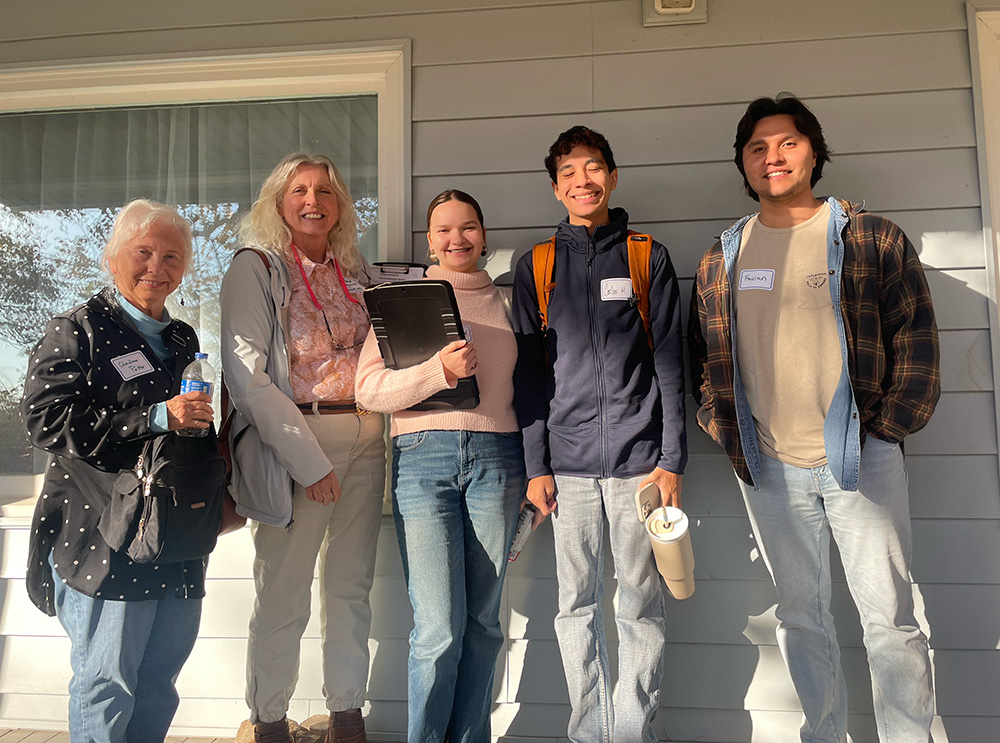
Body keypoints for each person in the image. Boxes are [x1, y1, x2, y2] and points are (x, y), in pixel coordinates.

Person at [688, 94, 938, 743]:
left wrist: (888, 425)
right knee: (801, 617)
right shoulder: (725, 255)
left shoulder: (868, 236)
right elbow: (705, 356)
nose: (773, 157)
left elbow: (915, 334)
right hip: (769, 469)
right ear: (743, 163)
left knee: (890, 621)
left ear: (814, 150)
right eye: (757, 147)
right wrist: (726, 427)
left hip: (861, 458)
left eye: (787, 142)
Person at [511, 126, 687, 743]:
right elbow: (528, 375)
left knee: (639, 607)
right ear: (556, 187)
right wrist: (536, 465)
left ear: (611, 177)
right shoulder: (535, 264)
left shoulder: (646, 256)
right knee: (574, 608)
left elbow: (670, 361)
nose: (581, 181)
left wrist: (672, 459)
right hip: (569, 469)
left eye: (592, 169)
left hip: (642, 464)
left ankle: (632, 734)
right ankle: (590, 733)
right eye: (568, 173)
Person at [21, 199, 214, 743]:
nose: (157, 266)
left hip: (175, 535)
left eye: (172, 256)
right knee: (107, 683)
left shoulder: (182, 341)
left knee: (159, 680)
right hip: (102, 533)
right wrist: (153, 417)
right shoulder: (77, 330)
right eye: (144, 252)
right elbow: (45, 420)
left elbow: (186, 436)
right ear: (113, 258)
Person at [220, 153, 385, 743]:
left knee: (350, 586)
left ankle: (346, 717)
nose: (312, 200)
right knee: (284, 591)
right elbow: (248, 378)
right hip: (300, 441)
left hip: (368, 438)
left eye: (324, 191)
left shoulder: (356, 272)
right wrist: (309, 463)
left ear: (339, 205)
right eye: (299, 190)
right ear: (279, 202)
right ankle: (268, 723)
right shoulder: (258, 268)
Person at [355, 189, 524, 743]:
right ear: (429, 240)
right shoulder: (404, 300)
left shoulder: (509, 302)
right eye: (444, 230)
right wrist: (436, 373)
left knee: (482, 624)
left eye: (468, 227)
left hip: (497, 459)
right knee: (437, 628)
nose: (457, 239)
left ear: (483, 233)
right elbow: (369, 391)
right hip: (422, 461)